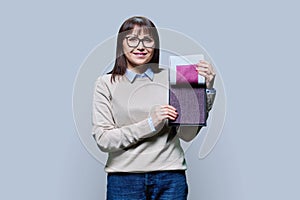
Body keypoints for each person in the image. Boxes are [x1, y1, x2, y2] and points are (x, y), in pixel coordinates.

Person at [92, 16, 216, 200]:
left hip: (170, 177)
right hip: (124, 179)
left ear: (155, 45)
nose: (140, 46)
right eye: (132, 39)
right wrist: (150, 124)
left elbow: (187, 134)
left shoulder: (175, 76)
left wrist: (205, 90)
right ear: (121, 44)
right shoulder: (105, 83)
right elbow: (104, 139)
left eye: (147, 39)